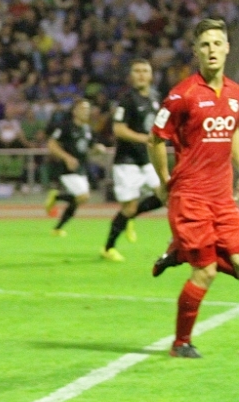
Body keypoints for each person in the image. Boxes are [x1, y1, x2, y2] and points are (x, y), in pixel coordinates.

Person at [148, 18, 239, 358]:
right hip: (191, 197)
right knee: (206, 272)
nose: (211, 50)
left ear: (227, 48)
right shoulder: (181, 95)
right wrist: (164, 182)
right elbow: (155, 139)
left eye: (217, 43)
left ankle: (180, 252)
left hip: (223, 198)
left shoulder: (235, 93)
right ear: (195, 52)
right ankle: (181, 343)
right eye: (204, 45)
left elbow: (232, 137)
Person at [100, 59, 165, 261]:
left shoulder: (155, 98)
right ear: (131, 76)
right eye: (137, 71)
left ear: (151, 75)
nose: (141, 74)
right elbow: (118, 129)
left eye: (145, 71)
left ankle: (130, 217)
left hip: (147, 160)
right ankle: (108, 247)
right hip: (127, 161)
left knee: (166, 195)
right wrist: (145, 139)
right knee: (128, 207)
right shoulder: (127, 100)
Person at [43, 98, 104, 236]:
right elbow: (51, 145)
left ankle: (58, 227)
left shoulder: (87, 129)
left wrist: (97, 149)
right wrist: (67, 157)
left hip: (82, 168)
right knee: (83, 196)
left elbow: (88, 148)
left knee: (79, 200)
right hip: (66, 168)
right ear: (74, 111)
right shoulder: (66, 126)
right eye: (83, 109)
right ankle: (56, 198)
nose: (86, 112)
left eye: (87, 109)